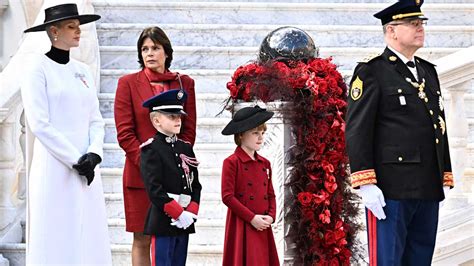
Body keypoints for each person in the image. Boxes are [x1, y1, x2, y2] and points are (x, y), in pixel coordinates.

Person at [345, 0, 453, 265]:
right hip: (391, 187)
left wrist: (444, 173)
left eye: (422, 23)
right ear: (392, 31)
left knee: (420, 258)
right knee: (389, 259)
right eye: (413, 24)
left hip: (427, 183)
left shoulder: (428, 71)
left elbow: (438, 124)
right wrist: (365, 181)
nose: (420, 29)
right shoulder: (372, 71)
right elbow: (358, 129)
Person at [21, 3, 111, 265]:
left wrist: (94, 154)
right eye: (71, 26)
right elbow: (39, 123)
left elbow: (96, 119)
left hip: (86, 168)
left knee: (87, 233)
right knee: (55, 232)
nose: (78, 32)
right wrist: (75, 158)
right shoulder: (36, 68)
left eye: (78, 26)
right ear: (53, 31)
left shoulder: (82, 71)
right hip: (54, 165)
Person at [114, 26, 197, 265]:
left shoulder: (184, 84)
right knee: (142, 237)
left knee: (171, 237)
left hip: (175, 175)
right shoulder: (127, 83)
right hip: (140, 175)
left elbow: (188, 130)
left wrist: (174, 163)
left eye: (155, 48)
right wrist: (151, 164)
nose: (149, 53)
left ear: (166, 52)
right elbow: (125, 133)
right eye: (144, 49)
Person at [139, 89, 201, 266]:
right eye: (172, 117)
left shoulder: (185, 148)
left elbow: (195, 185)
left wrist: (191, 212)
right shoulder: (151, 149)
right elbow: (154, 189)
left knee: (179, 262)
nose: (178, 120)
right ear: (156, 120)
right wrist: (178, 213)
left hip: (185, 219)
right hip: (163, 220)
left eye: (179, 116)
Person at [220, 105, 280, 266]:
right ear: (241, 135)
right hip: (242, 223)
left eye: (262, 133)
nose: (260, 137)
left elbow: (271, 194)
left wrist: (271, 216)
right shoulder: (231, 162)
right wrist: (251, 218)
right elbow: (227, 196)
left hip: (263, 224)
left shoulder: (265, 163)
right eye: (255, 133)